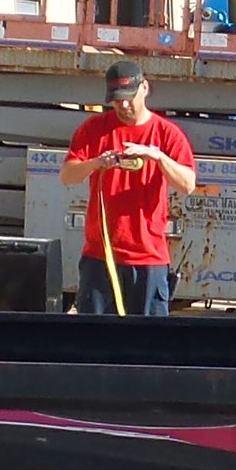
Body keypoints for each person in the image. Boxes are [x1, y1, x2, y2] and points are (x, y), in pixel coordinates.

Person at [60, 60, 197, 315]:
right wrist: (96, 163)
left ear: (144, 88)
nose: (123, 105)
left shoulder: (166, 133)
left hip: (149, 258)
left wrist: (158, 157)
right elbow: (67, 176)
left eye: (129, 97)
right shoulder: (94, 129)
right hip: (100, 257)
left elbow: (188, 184)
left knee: (147, 339)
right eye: (116, 99)